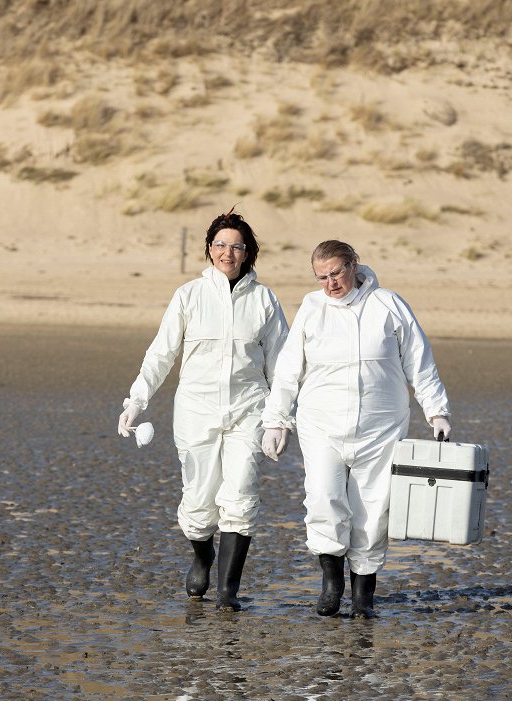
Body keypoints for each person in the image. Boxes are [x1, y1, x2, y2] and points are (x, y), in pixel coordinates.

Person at [261, 240, 450, 620]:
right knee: (323, 499)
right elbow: (287, 370)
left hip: (381, 428)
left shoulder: (388, 305)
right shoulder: (312, 309)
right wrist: (276, 420)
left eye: (336, 273)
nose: (330, 283)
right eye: (322, 277)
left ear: (354, 266)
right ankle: (332, 585)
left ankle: (364, 596)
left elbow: (420, 361)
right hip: (321, 426)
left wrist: (437, 413)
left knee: (373, 510)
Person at [118, 210, 289, 610]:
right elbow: (161, 353)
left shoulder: (264, 300)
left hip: (249, 409)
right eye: (220, 245)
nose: (228, 253)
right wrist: (137, 401)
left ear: (248, 253)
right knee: (198, 503)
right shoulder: (189, 296)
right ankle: (202, 555)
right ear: (209, 250)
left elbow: (282, 365)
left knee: (241, 495)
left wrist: (280, 419)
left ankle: (228, 590)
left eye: (236, 246)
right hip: (196, 409)